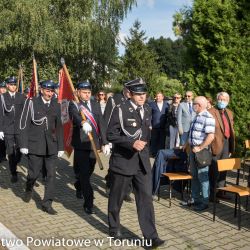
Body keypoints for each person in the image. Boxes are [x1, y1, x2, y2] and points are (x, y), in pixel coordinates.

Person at [107, 78, 165, 248]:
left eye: (144, 94)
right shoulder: (120, 109)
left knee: (146, 199)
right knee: (116, 197)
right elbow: (111, 134)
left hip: (142, 162)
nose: (142, 97)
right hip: (124, 161)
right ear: (130, 94)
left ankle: (151, 237)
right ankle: (114, 227)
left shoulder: (147, 109)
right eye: (138, 94)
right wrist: (130, 143)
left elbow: (145, 134)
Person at [20, 80, 64, 215]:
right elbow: (24, 123)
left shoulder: (56, 105)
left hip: (51, 146)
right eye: (47, 91)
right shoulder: (31, 103)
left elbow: (59, 127)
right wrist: (23, 144)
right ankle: (29, 187)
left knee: (51, 176)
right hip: (35, 145)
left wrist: (61, 146)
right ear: (41, 90)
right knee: (33, 174)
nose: (50, 93)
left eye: (52, 91)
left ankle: (47, 204)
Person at [68, 81, 110, 214]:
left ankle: (78, 184)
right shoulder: (74, 103)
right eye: (84, 92)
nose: (87, 95)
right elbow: (74, 115)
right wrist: (82, 122)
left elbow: (101, 124)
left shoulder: (96, 105)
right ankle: (89, 202)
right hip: (81, 143)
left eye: (89, 92)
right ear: (78, 92)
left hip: (93, 145)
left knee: (89, 171)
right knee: (86, 176)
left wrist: (105, 142)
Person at [103, 81, 134, 202]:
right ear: (124, 89)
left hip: (130, 137)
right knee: (115, 164)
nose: (130, 93)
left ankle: (126, 191)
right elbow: (106, 119)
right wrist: (105, 140)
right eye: (129, 90)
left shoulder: (134, 99)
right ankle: (110, 184)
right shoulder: (114, 99)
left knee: (131, 163)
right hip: (116, 137)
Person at [183, 96, 215, 211]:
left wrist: (200, 147)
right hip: (193, 150)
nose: (192, 106)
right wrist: (187, 144)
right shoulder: (197, 116)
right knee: (194, 175)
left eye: (194, 104)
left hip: (201, 152)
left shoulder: (208, 117)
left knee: (203, 176)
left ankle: (204, 202)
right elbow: (193, 133)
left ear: (199, 105)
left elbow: (211, 136)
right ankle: (195, 199)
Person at [208, 92, 235, 200]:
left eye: (224, 100)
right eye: (220, 99)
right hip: (215, 144)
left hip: (227, 143)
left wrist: (231, 145)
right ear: (216, 100)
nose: (221, 102)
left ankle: (221, 191)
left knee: (224, 168)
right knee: (214, 170)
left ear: (227, 102)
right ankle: (212, 194)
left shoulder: (229, 112)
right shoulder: (210, 112)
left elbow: (231, 129)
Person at [0, 76, 25, 182]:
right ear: (7, 85)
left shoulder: (21, 96)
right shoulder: (2, 97)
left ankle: (16, 161)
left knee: (19, 152)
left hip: (19, 128)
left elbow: (25, 113)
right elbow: (0, 114)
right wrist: (1, 129)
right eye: (11, 84)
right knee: (10, 151)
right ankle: (13, 172)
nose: (13, 86)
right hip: (8, 128)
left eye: (15, 84)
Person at [149, 92, 169, 157]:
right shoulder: (151, 104)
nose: (158, 97)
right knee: (154, 140)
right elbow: (149, 115)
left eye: (159, 96)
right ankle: (153, 153)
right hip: (154, 126)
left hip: (163, 126)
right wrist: (149, 124)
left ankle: (160, 154)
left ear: (162, 97)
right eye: (157, 96)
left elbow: (168, 115)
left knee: (162, 141)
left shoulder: (167, 105)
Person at [0, 81, 7, 162]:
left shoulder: (7, 97)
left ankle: (3, 155)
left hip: (5, 122)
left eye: (4, 88)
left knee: (4, 140)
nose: (3, 90)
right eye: (2, 88)